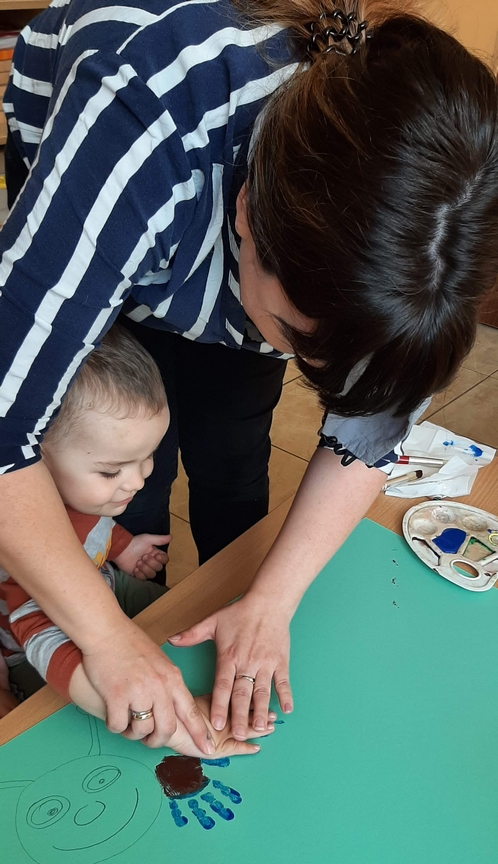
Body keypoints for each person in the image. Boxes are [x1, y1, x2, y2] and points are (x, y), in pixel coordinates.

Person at [1, 0, 498, 750]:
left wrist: (272, 599)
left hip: (226, 241)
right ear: (245, 215)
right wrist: (106, 637)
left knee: (231, 442)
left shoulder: (432, 241)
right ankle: (133, 591)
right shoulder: (139, 117)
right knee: (115, 445)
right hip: (113, 168)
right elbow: (5, 430)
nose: (330, 388)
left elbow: (368, 434)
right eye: (300, 343)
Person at [0, 324, 271, 755]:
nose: (138, 480)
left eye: (149, 456)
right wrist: (172, 724)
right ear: (33, 455)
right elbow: (46, 640)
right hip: (33, 649)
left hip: (106, 583)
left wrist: (124, 547)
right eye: (112, 471)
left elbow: (92, 525)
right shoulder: (24, 551)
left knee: (193, 620)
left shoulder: (83, 492)